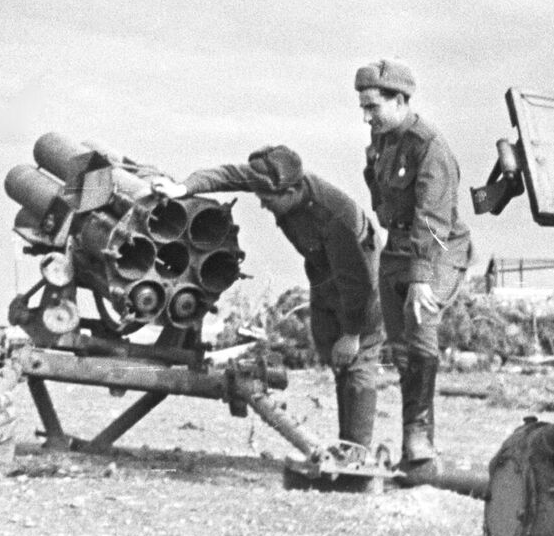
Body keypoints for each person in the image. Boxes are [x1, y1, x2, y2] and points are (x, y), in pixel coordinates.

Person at [157, 146, 384, 450]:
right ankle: (349, 448)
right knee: (335, 356)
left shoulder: (333, 215)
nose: (263, 206)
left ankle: (358, 455)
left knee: (356, 361)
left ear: (292, 191)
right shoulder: (273, 179)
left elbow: (359, 283)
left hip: (363, 284)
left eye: (268, 200)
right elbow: (226, 174)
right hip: (324, 275)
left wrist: (354, 334)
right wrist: (183, 188)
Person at [357, 59, 471, 472]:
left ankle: (420, 437)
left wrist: (422, 278)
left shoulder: (430, 147)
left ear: (401, 99)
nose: (367, 116)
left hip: (438, 247)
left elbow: (435, 220)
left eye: (374, 106)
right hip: (398, 244)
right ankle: (413, 442)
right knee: (400, 346)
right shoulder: (382, 140)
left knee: (419, 326)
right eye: (363, 108)